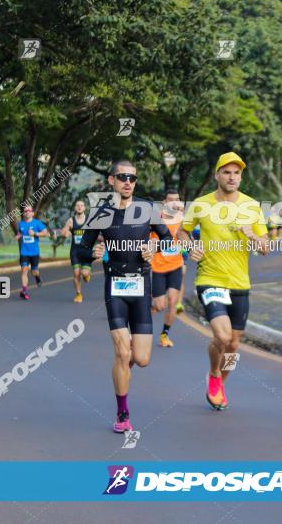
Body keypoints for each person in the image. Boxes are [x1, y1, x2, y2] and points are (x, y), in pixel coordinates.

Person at [75, 159, 173, 432]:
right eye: (122, 177)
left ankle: (126, 359)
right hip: (115, 287)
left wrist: (154, 248)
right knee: (121, 351)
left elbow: (167, 240)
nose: (127, 182)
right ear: (111, 181)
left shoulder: (147, 209)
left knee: (141, 359)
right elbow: (81, 248)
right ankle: (122, 414)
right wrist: (91, 254)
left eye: (132, 178)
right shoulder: (101, 214)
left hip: (141, 286)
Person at [178, 152, 270, 410]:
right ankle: (214, 373)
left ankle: (220, 381)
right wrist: (190, 247)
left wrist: (253, 235)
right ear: (217, 175)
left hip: (240, 283)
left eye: (237, 173)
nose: (232, 177)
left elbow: (265, 247)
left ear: (241, 177)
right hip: (210, 278)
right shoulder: (201, 204)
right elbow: (181, 231)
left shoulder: (251, 206)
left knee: (234, 345)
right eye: (227, 172)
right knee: (222, 335)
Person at [151, 190, 184, 348]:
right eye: (170, 200)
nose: (174, 204)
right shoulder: (156, 220)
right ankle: (138, 326)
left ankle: (164, 334)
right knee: (159, 305)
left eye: (176, 200)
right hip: (158, 268)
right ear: (164, 202)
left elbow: (188, 237)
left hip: (175, 266)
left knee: (172, 301)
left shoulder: (183, 220)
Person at [61, 199, 92, 303]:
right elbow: (64, 232)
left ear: (84, 208)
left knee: (84, 273)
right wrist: (66, 232)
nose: (79, 207)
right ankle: (79, 294)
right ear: (75, 208)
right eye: (77, 205)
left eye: (81, 205)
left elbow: (96, 233)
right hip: (75, 252)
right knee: (76, 274)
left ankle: (86, 275)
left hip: (86, 252)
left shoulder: (89, 220)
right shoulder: (71, 220)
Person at [15, 206, 49, 300]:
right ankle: (24, 291)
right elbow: (20, 233)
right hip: (24, 252)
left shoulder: (37, 223)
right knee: (24, 270)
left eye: (29, 211)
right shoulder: (21, 224)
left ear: (32, 213)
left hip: (34, 252)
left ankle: (37, 278)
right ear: (24, 213)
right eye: (25, 211)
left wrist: (35, 234)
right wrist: (18, 236)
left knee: (34, 271)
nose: (27, 212)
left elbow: (46, 233)